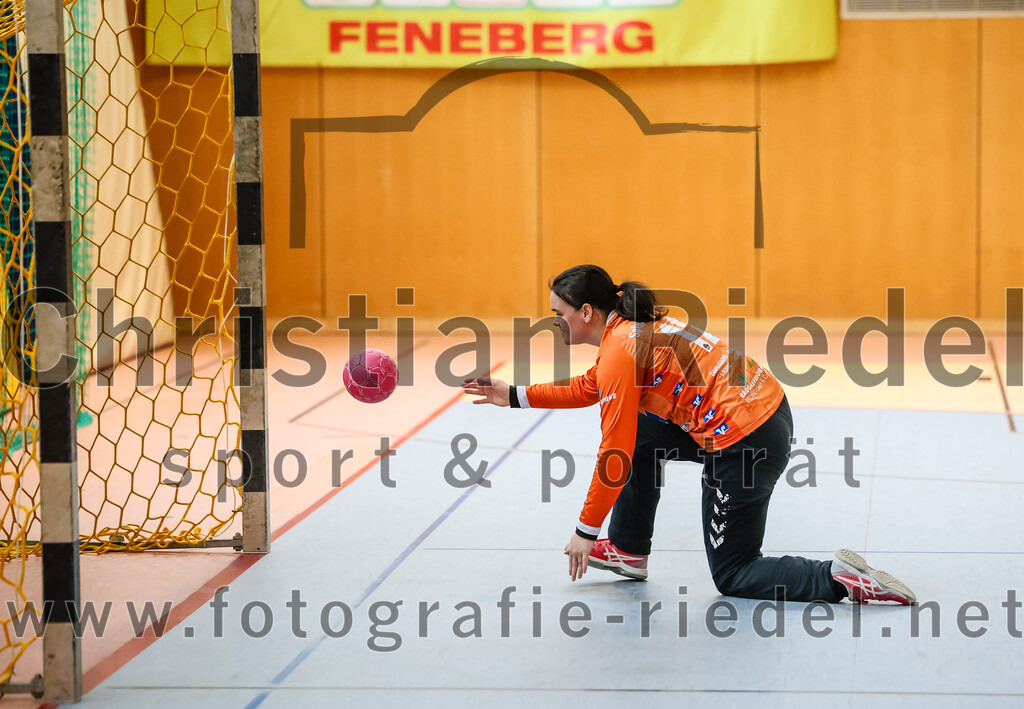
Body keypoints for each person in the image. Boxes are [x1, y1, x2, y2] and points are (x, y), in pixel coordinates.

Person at [462, 264, 916, 604]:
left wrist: (585, 530)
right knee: (641, 430)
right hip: (767, 412)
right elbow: (592, 386)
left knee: (734, 573)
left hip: (747, 442)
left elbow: (613, 452)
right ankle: (627, 550)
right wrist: (515, 394)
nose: (554, 322)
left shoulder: (622, 347)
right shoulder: (628, 329)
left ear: (586, 311)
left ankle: (836, 578)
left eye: (557, 314)